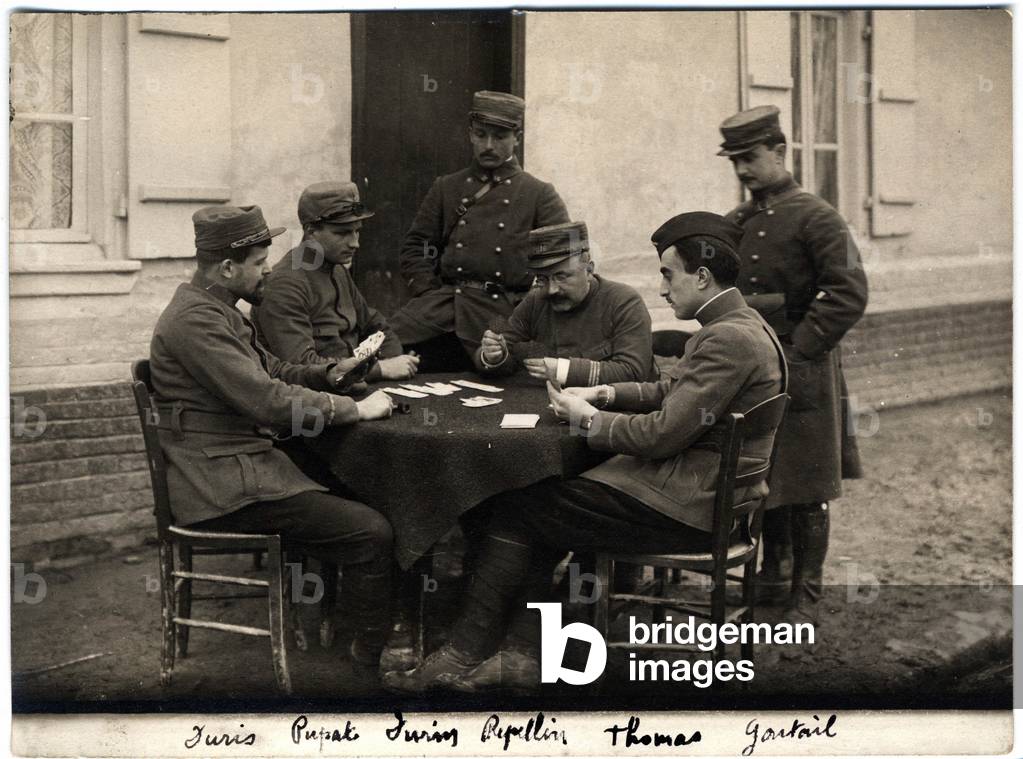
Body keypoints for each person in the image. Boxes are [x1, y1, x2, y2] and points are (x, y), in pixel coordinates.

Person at [383, 212, 787, 693]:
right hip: (705, 493)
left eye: (667, 273)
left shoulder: (725, 338)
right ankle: (520, 651)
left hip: (687, 504)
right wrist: (606, 396)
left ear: (701, 277)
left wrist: (588, 421)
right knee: (540, 503)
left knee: (516, 503)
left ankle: (467, 652)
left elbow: (661, 434)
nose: (662, 288)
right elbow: (672, 391)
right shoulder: (743, 324)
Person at [149, 205, 397, 669]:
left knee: (371, 493)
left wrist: (331, 372)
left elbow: (276, 371)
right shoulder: (196, 322)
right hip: (220, 486)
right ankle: (356, 664)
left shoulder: (217, 310)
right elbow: (265, 399)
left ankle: (334, 631)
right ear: (227, 268)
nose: (268, 271)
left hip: (241, 468)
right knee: (372, 531)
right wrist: (354, 408)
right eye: (260, 263)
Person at [718, 105, 869, 623]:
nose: (742, 170)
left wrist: (800, 349)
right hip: (752, 367)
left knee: (806, 485)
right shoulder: (736, 222)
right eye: (734, 160)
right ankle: (771, 580)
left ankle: (805, 597)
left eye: (751, 158)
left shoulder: (818, 217)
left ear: (780, 152)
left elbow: (848, 292)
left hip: (804, 365)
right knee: (764, 477)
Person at [388, 90, 570, 371]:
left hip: (500, 311)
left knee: (496, 369)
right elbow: (417, 246)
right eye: (481, 134)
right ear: (470, 134)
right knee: (381, 348)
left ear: (517, 139)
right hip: (445, 305)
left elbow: (562, 260)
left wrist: (529, 310)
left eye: (499, 137)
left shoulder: (539, 194)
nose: (488, 145)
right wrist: (427, 290)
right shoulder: (447, 187)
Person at [252, 181, 419, 382]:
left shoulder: (337, 269)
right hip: (316, 398)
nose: (355, 243)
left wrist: (395, 359)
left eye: (357, 231)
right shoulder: (284, 284)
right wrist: (379, 369)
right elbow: (301, 365)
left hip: (354, 384)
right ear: (311, 231)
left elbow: (376, 326)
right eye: (342, 233)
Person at [475, 221, 656, 385]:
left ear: (589, 270)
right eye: (543, 279)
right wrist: (493, 356)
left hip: (618, 411)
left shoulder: (623, 301)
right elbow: (504, 347)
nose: (551, 289)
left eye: (561, 276)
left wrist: (563, 371)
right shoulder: (535, 300)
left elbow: (633, 371)